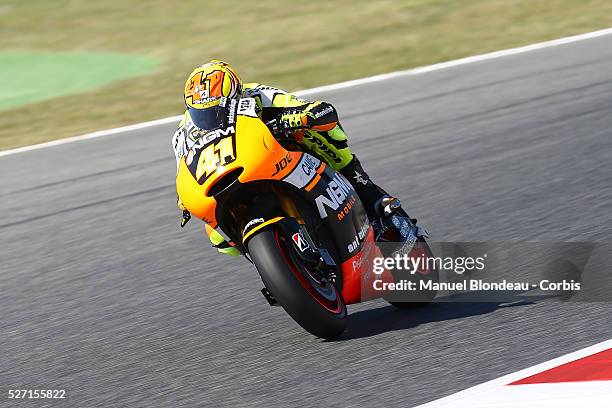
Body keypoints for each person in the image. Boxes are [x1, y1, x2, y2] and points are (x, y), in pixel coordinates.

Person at [172, 60, 402, 256]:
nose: (210, 117)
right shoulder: (183, 131)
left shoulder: (259, 95)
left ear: (236, 94)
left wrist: (302, 116)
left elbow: (308, 108)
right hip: (233, 171)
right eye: (201, 113)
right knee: (220, 241)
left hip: (275, 153)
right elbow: (183, 168)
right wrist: (184, 200)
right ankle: (282, 259)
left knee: (323, 134)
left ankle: (369, 193)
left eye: (217, 109)